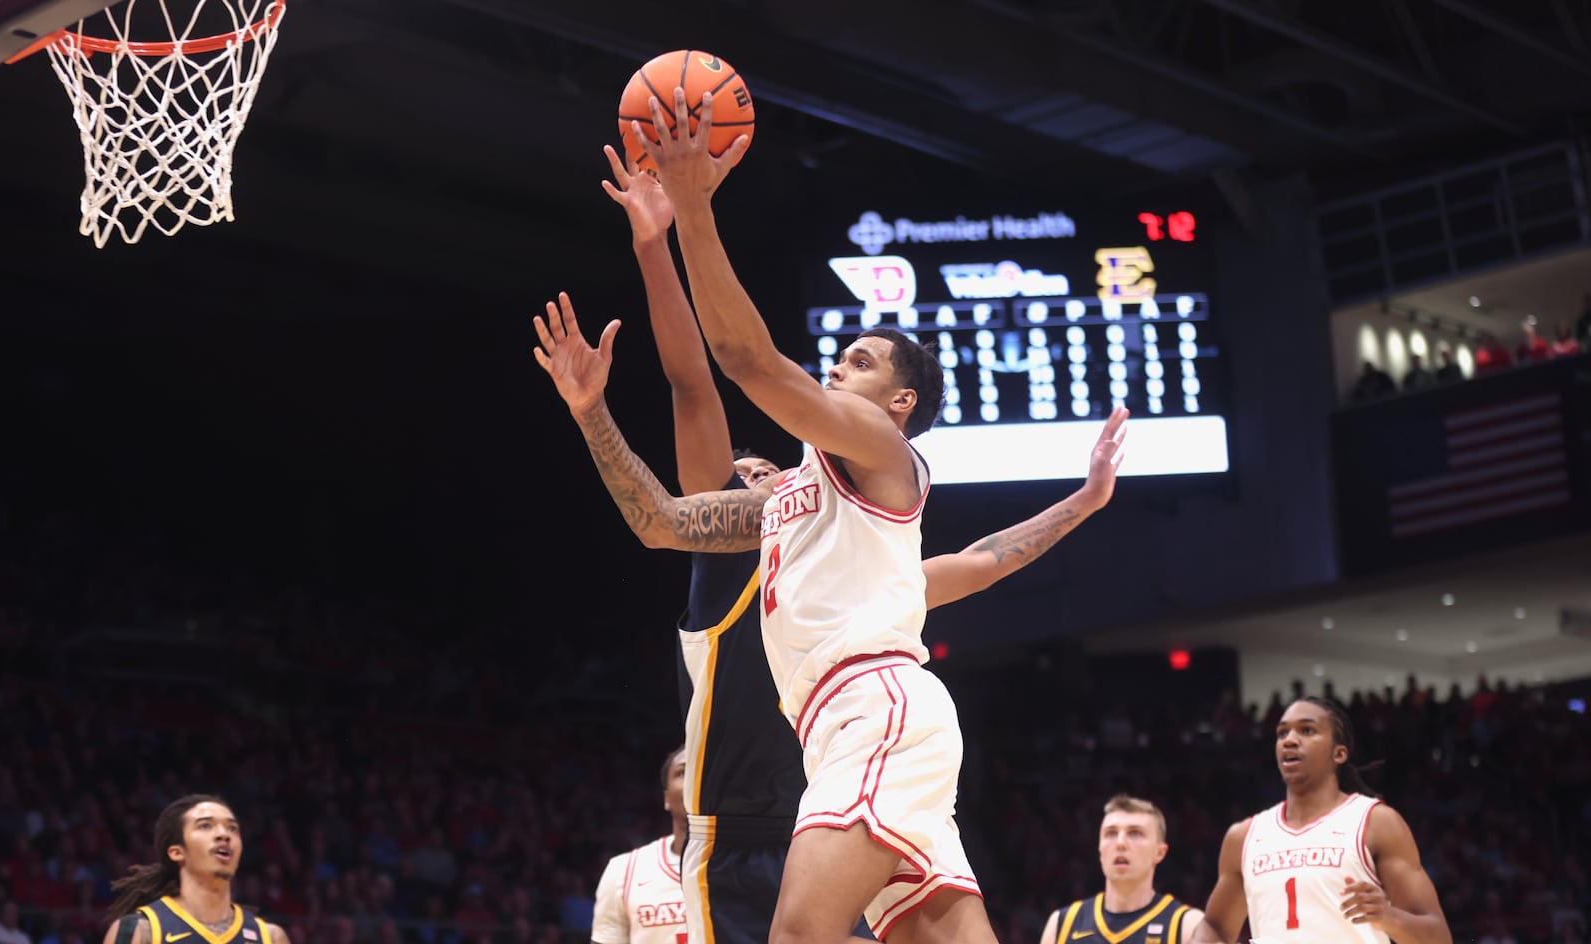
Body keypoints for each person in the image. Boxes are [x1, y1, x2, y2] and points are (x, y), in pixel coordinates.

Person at [543, 88, 1125, 944]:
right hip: (863, 730)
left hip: (870, 713)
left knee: (800, 936)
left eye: (856, 361)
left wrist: (696, 209)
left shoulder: (882, 449)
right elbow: (660, 522)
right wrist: (592, 410)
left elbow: (739, 361)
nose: (836, 369)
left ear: (898, 401)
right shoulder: (801, 510)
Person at [1187, 697, 1451, 944]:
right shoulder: (1243, 836)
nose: (1289, 740)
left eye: (1307, 730)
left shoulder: (1376, 823)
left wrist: (1388, 917)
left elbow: (1439, 937)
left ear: (1339, 754)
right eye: (1282, 733)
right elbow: (1215, 927)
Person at [100, 795, 292, 944]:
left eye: (232, 828)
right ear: (177, 852)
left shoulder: (270, 937)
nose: (223, 835)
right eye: (206, 826)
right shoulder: (139, 931)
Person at [1038, 796, 1204, 944]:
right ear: (1100, 849)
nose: (1120, 843)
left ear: (1160, 853)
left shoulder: (1187, 926)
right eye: (1111, 833)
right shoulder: (1062, 924)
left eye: (1135, 833)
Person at [590, 749, 689, 944]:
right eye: (683, 772)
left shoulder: (752, 866)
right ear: (667, 798)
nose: (695, 780)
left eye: (703, 771)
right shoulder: (624, 870)